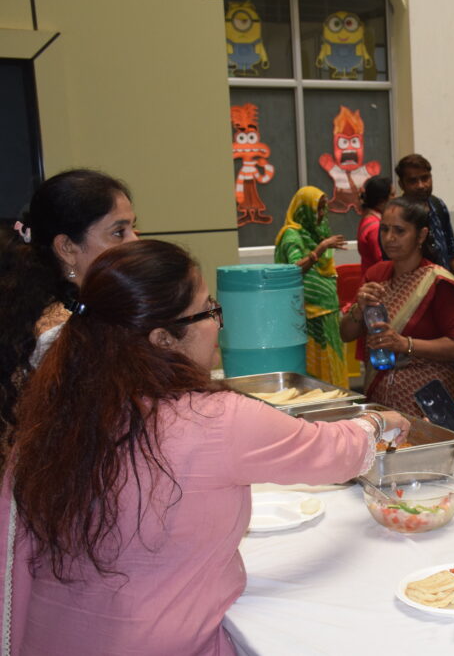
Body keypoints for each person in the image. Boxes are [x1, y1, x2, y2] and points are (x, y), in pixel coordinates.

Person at [3, 240, 408, 655]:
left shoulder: (52, 416)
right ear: (163, 339)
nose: (220, 323)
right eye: (208, 310)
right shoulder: (213, 419)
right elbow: (329, 451)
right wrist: (377, 422)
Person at [1, 169, 138, 440]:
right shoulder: (60, 332)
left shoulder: (65, 305)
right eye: (118, 232)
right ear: (66, 247)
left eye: (133, 228)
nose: (135, 242)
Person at [341, 197, 454, 415]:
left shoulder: (438, 283)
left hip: (427, 405)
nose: (389, 238)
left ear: (421, 235)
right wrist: (359, 307)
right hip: (380, 397)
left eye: (399, 231)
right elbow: (346, 334)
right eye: (384, 229)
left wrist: (405, 344)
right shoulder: (376, 275)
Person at [274, 187, 348, 386]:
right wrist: (320, 248)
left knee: (331, 371)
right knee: (315, 376)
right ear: (303, 209)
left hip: (326, 313)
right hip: (308, 318)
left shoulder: (314, 233)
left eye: (324, 209)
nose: (321, 214)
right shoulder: (291, 235)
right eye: (317, 209)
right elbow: (294, 269)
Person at [393, 153, 454, 283]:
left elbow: (452, 252)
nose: (421, 185)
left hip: (444, 285)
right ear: (401, 184)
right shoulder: (396, 214)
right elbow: (391, 261)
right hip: (412, 287)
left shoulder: (438, 205)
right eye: (413, 181)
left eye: (425, 178)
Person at [357, 175, 392, 277]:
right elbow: (382, 262)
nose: (396, 198)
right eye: (392, 195)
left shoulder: (368, 219)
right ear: (382, 200)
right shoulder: (376, 227)